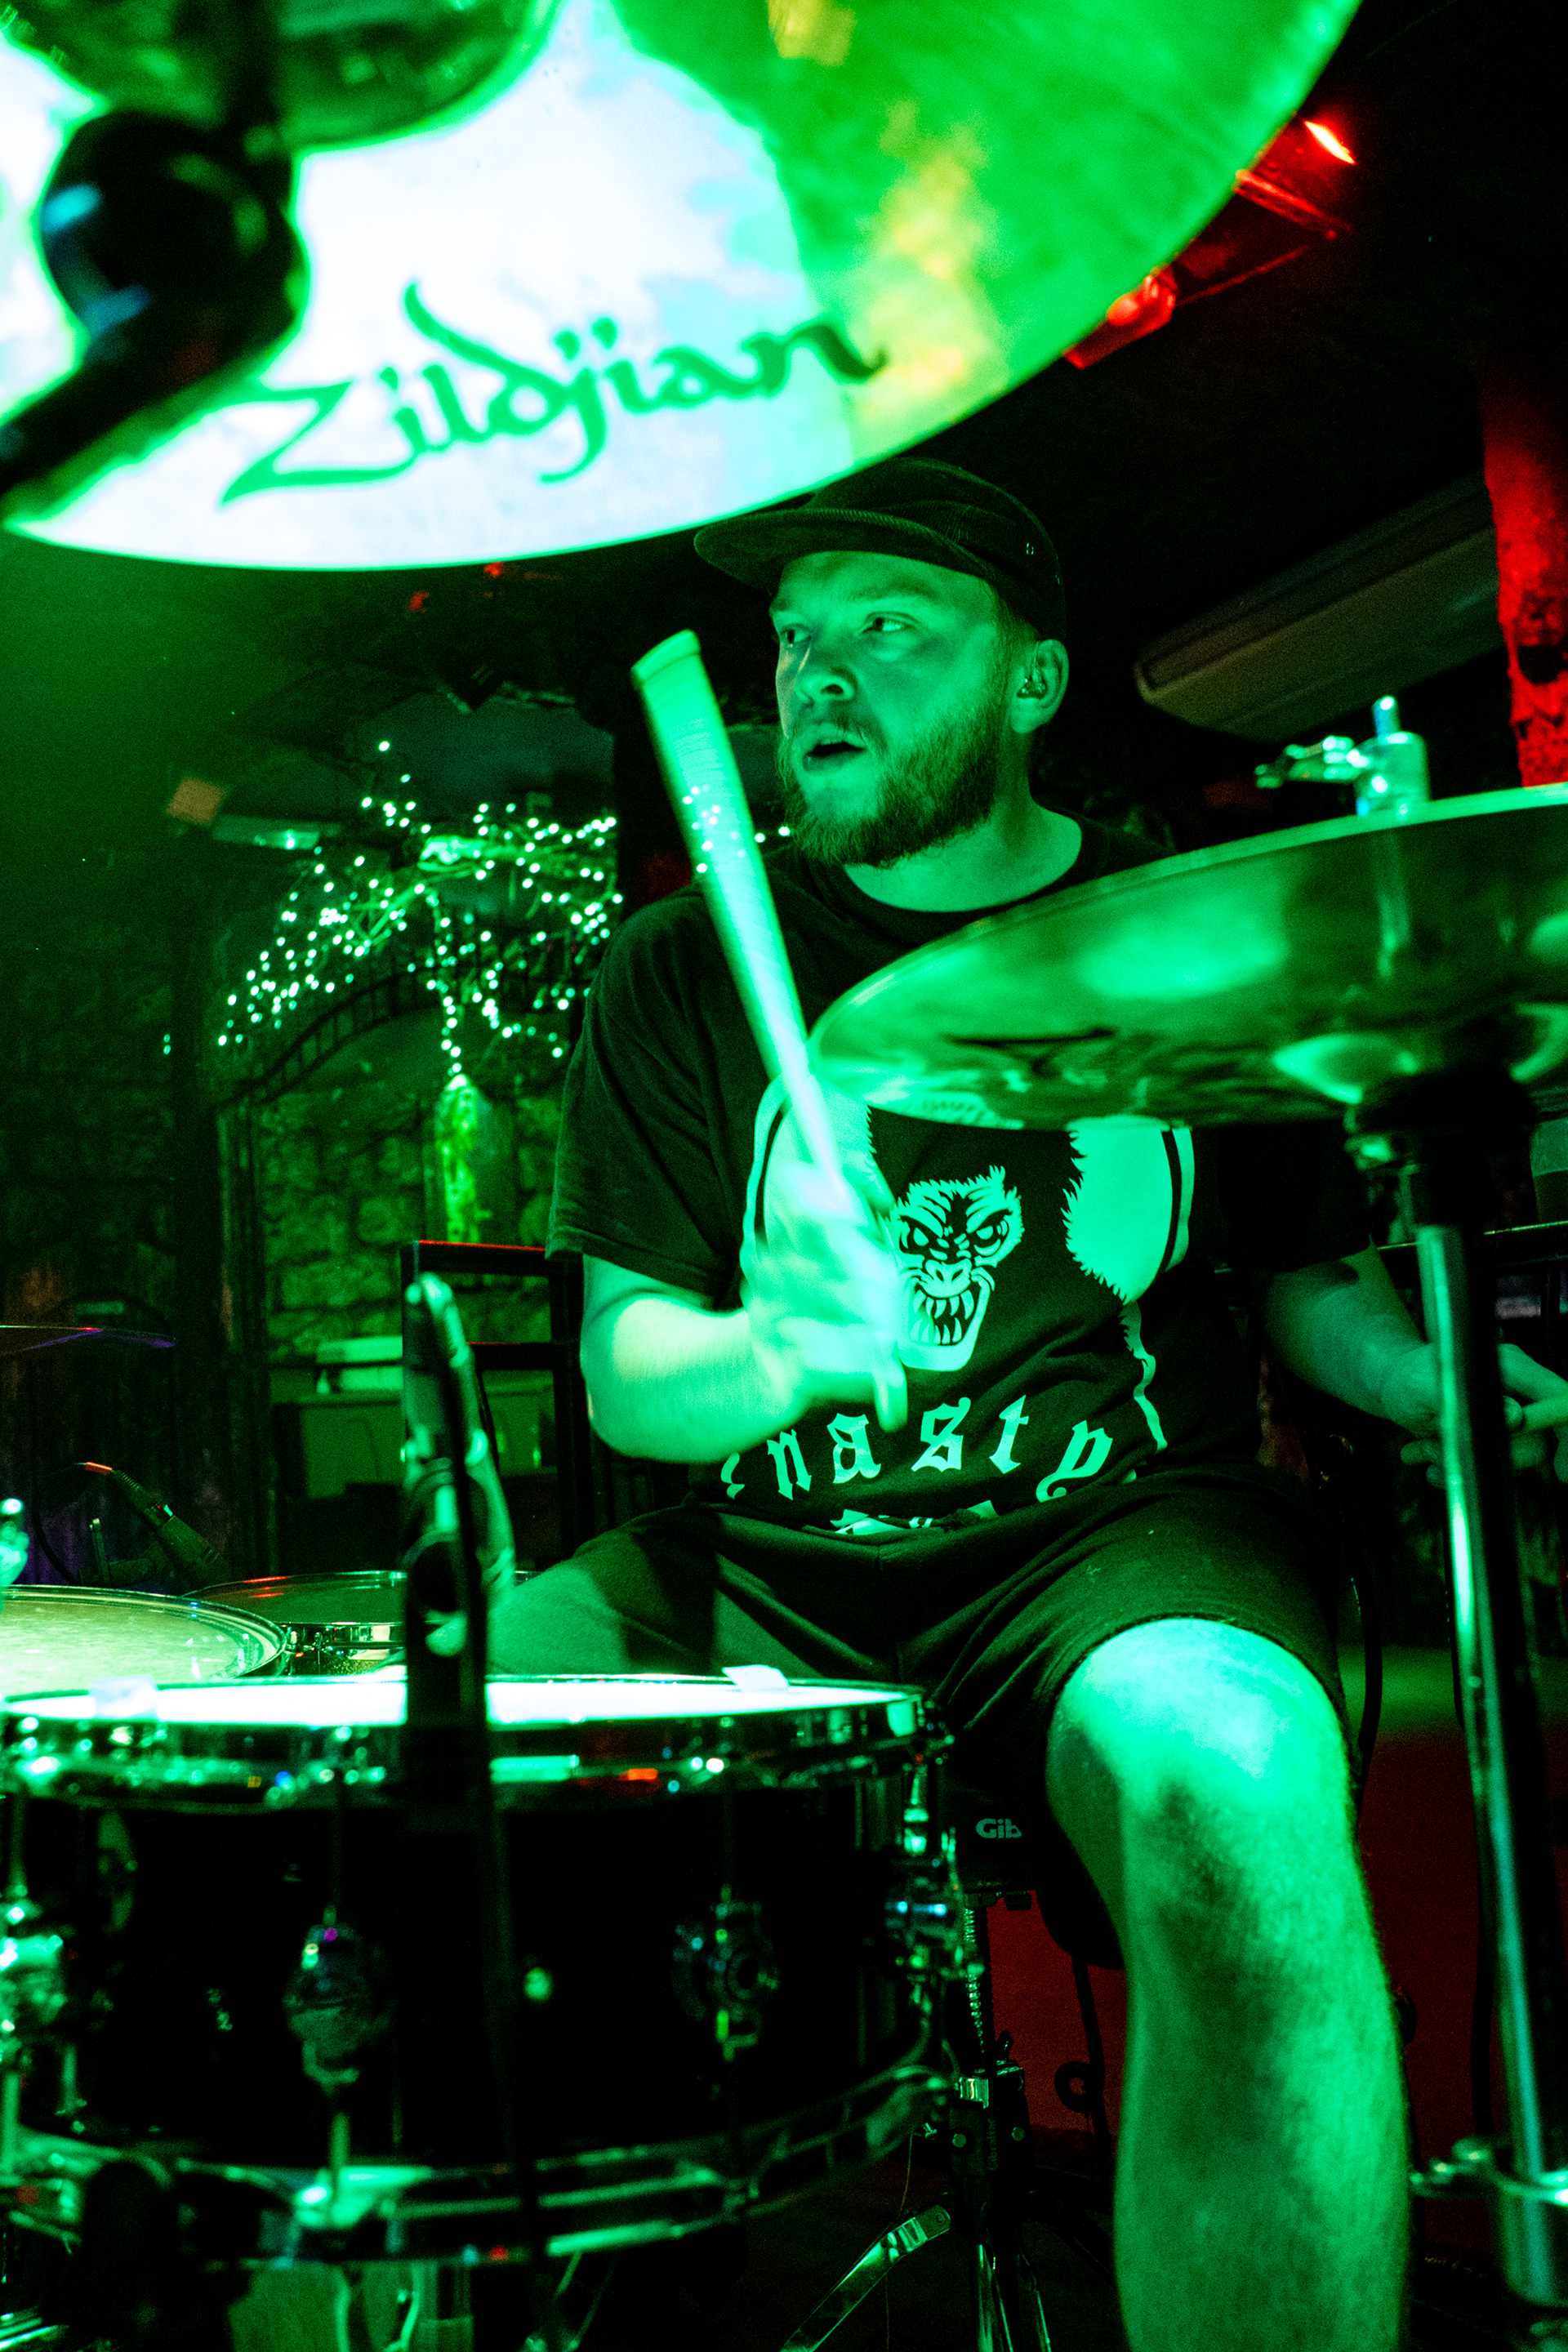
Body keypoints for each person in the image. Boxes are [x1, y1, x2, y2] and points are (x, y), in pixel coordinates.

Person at [491, 458, 1568, 2352]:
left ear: (1034, 679)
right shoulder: (676, 971)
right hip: (777, 1555)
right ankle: (601, 2277)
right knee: (433, 1763)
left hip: (1115, 1539)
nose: (822, 676)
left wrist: (1443, 1381)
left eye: (891, 629)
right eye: (797, 639)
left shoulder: (1199, 924)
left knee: (1230, 1778)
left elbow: (1307, 1286)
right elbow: (628, 1376)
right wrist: (773, 1357)